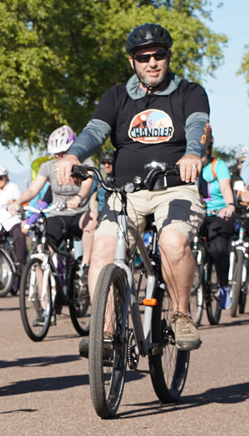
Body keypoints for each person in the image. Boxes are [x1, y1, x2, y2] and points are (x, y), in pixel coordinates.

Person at [56, 23, 209, 355]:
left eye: (159, 55)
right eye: (143, 57)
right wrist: (73, 155)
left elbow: (198, 124)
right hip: (125, 192)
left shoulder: (189, 91)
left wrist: (193, 153)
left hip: (174, 188)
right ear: (132, 62)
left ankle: (182, 314)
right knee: (102, 247)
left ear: (168, 57)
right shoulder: (117, 96)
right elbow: (95, 131)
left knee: (172, 241)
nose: (151, 62)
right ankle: (107, 331)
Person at [9, 127, 95, 278]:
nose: (60, 156)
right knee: (41, 252)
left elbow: (87, 186)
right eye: (56, 153)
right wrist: (18, 202)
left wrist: (78, 198)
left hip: (79, 214)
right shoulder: (47, 167)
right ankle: (44, 298)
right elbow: (33, 190)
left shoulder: (86, 163)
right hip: (57, 216)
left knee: (92, 220)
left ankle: (85, 266)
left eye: (64, 152)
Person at [199, 126, 234, 310]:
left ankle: (223, 287)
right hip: (196, 214)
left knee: (219, 249)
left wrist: (229, 206)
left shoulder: (217, 165)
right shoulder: (186, 163)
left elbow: (226, 187)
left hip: (218, 213)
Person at [0, 164, 26, 274]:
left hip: (11, 220)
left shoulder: (13, 187)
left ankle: (19, 263)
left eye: (0, 178)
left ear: (6, 176)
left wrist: (14, 203)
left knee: (19, 235)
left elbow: (16, 200)